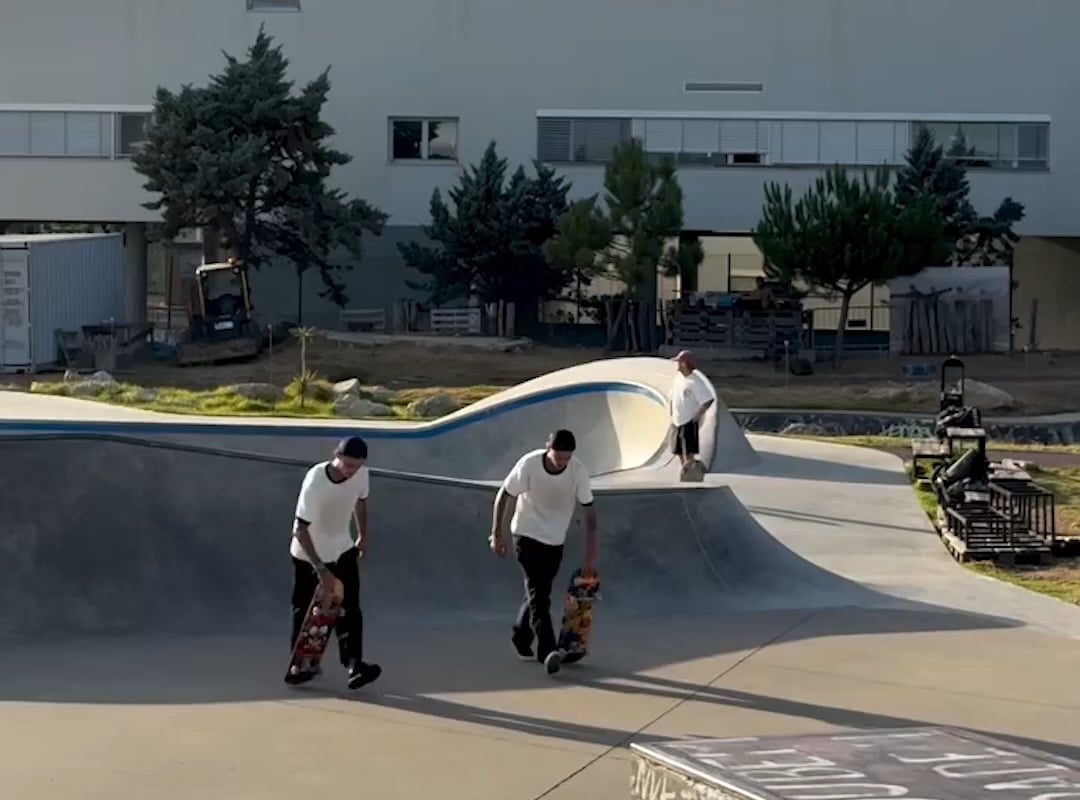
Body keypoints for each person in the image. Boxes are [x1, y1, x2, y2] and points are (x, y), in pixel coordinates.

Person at [489, 429, 598, 675]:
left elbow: (590, 514)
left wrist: (591, 555)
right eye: (558, 458)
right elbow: (504, 495)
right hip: (526, 536)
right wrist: (497, 533)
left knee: (539, 591)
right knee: (539, 595)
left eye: (566, 459)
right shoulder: (529, 464)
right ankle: (547, 651)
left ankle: (520, 635)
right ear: (549, 450)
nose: (562, 463)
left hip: (555, 541)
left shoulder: (577, 471)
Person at [290, 436, 381, 690]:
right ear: (335, 456)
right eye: (346, 464)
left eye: (356, 466)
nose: (350, 471)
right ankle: (300, 663)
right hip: (308, 553)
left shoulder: (362, 474)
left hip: (343, 548)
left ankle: (354, 665)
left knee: (351, 607)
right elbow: (300, 529)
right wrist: (320, 568)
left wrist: (363, 534)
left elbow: (361, 501)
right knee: (308, 610)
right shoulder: (316, 481)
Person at [669, 350, 714, 469]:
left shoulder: (695, 382)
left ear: (684, 364)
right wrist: (671, 413)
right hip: (676, 419)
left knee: (688, 450)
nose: (677, 365)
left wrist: (698, 415)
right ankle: (684, 469)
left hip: (688, 420)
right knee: (677, 450)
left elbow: (708, 399)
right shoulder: (678, 378)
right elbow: (672, 396)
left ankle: (691, 471)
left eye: (679, 362)